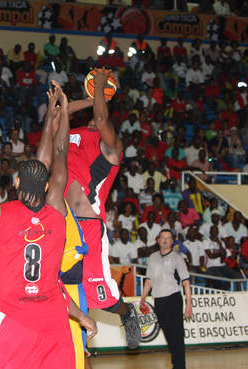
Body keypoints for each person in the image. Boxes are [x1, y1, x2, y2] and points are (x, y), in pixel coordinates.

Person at [0, 86, 96, 369]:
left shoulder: (0, 213)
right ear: (46, 187)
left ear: (16, 184)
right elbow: (59, 153)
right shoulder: (55, 214)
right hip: (53, 317)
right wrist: (62, 111)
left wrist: (50, 114)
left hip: (15, 315)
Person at [64, 69, 141, 348]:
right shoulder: (72, 134)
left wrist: (99, 91)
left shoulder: (112, 147)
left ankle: (127, 312)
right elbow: (59, 111)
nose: (98, 121)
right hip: (61, 223)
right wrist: (90, 96)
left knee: (102, 298)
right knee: (50, 288)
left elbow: (100, 117)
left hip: (88, 226)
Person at [140, 229, 192, 369]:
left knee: (177, 334)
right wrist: (143, 298)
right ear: (158, 240)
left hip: (173, 298)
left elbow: (186, 281)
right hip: (159, 300)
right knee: (168, 333)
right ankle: (176, 361)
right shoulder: (152, 257)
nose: (164, 240)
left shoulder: (177, 258)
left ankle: (179, 365)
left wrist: (188, 305)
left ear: (172, 241)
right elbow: (149, 280)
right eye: (162, 237)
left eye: (168, 238)